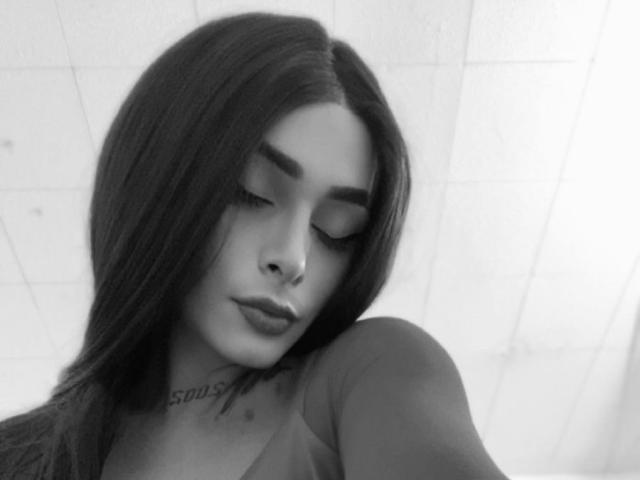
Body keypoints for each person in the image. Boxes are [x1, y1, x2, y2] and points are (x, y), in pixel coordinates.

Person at [0, 11, 509, 480]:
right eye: (251, 194)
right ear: (159, 181)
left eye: (337, 231)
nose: (293, 258)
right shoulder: (20, 454)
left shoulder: (372, 375)